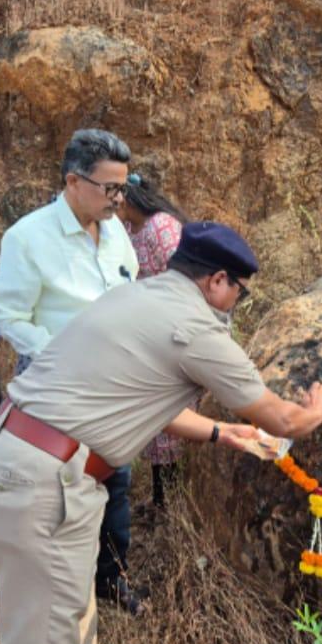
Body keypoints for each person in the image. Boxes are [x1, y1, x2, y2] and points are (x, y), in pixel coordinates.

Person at [0, 221, 322, 644]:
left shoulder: (134, 299)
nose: (237, 301)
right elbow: (282, 421)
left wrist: (216, 431)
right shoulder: (195, 327)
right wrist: (317, 411)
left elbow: (128, 390)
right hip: (44, 481)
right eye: (240, 290)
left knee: (69, 625)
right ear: (216, 281)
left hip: (24, 460)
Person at [0, 129, 144, 615]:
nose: (119, 200)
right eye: (110, 188)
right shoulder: (29, 238)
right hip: (57, 390)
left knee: (114, 483)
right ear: (73, 181)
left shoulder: (115, 231)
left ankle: (112, 579)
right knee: (60, 491)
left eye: (125, 187)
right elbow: (7, 315)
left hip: (114, 385)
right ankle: (60, 590)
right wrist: (64, 352)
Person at [118, 173, 189, 510]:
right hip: (149, 337)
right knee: (156, 423)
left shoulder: (162, 227)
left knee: (171, 420)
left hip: (171, 335)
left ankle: (172, 501)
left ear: (129, 200)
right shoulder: (132, 231)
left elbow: (181, 282)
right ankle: (161, 498)